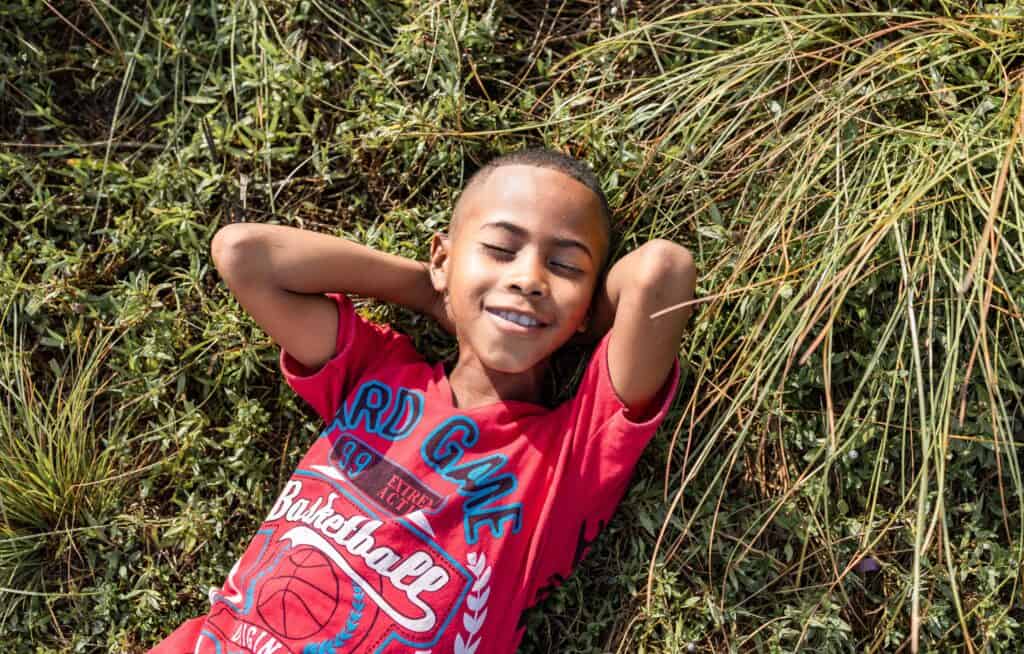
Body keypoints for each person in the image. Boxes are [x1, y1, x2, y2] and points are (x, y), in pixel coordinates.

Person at [150, 147, 697, 654]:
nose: (529, 278)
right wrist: (433, 289)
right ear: (444, 259)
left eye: (565, 267)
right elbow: (244, 254)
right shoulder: (375, 371)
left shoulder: (568, 461)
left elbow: (663, 271)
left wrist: (570, 322)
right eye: (501, 250)